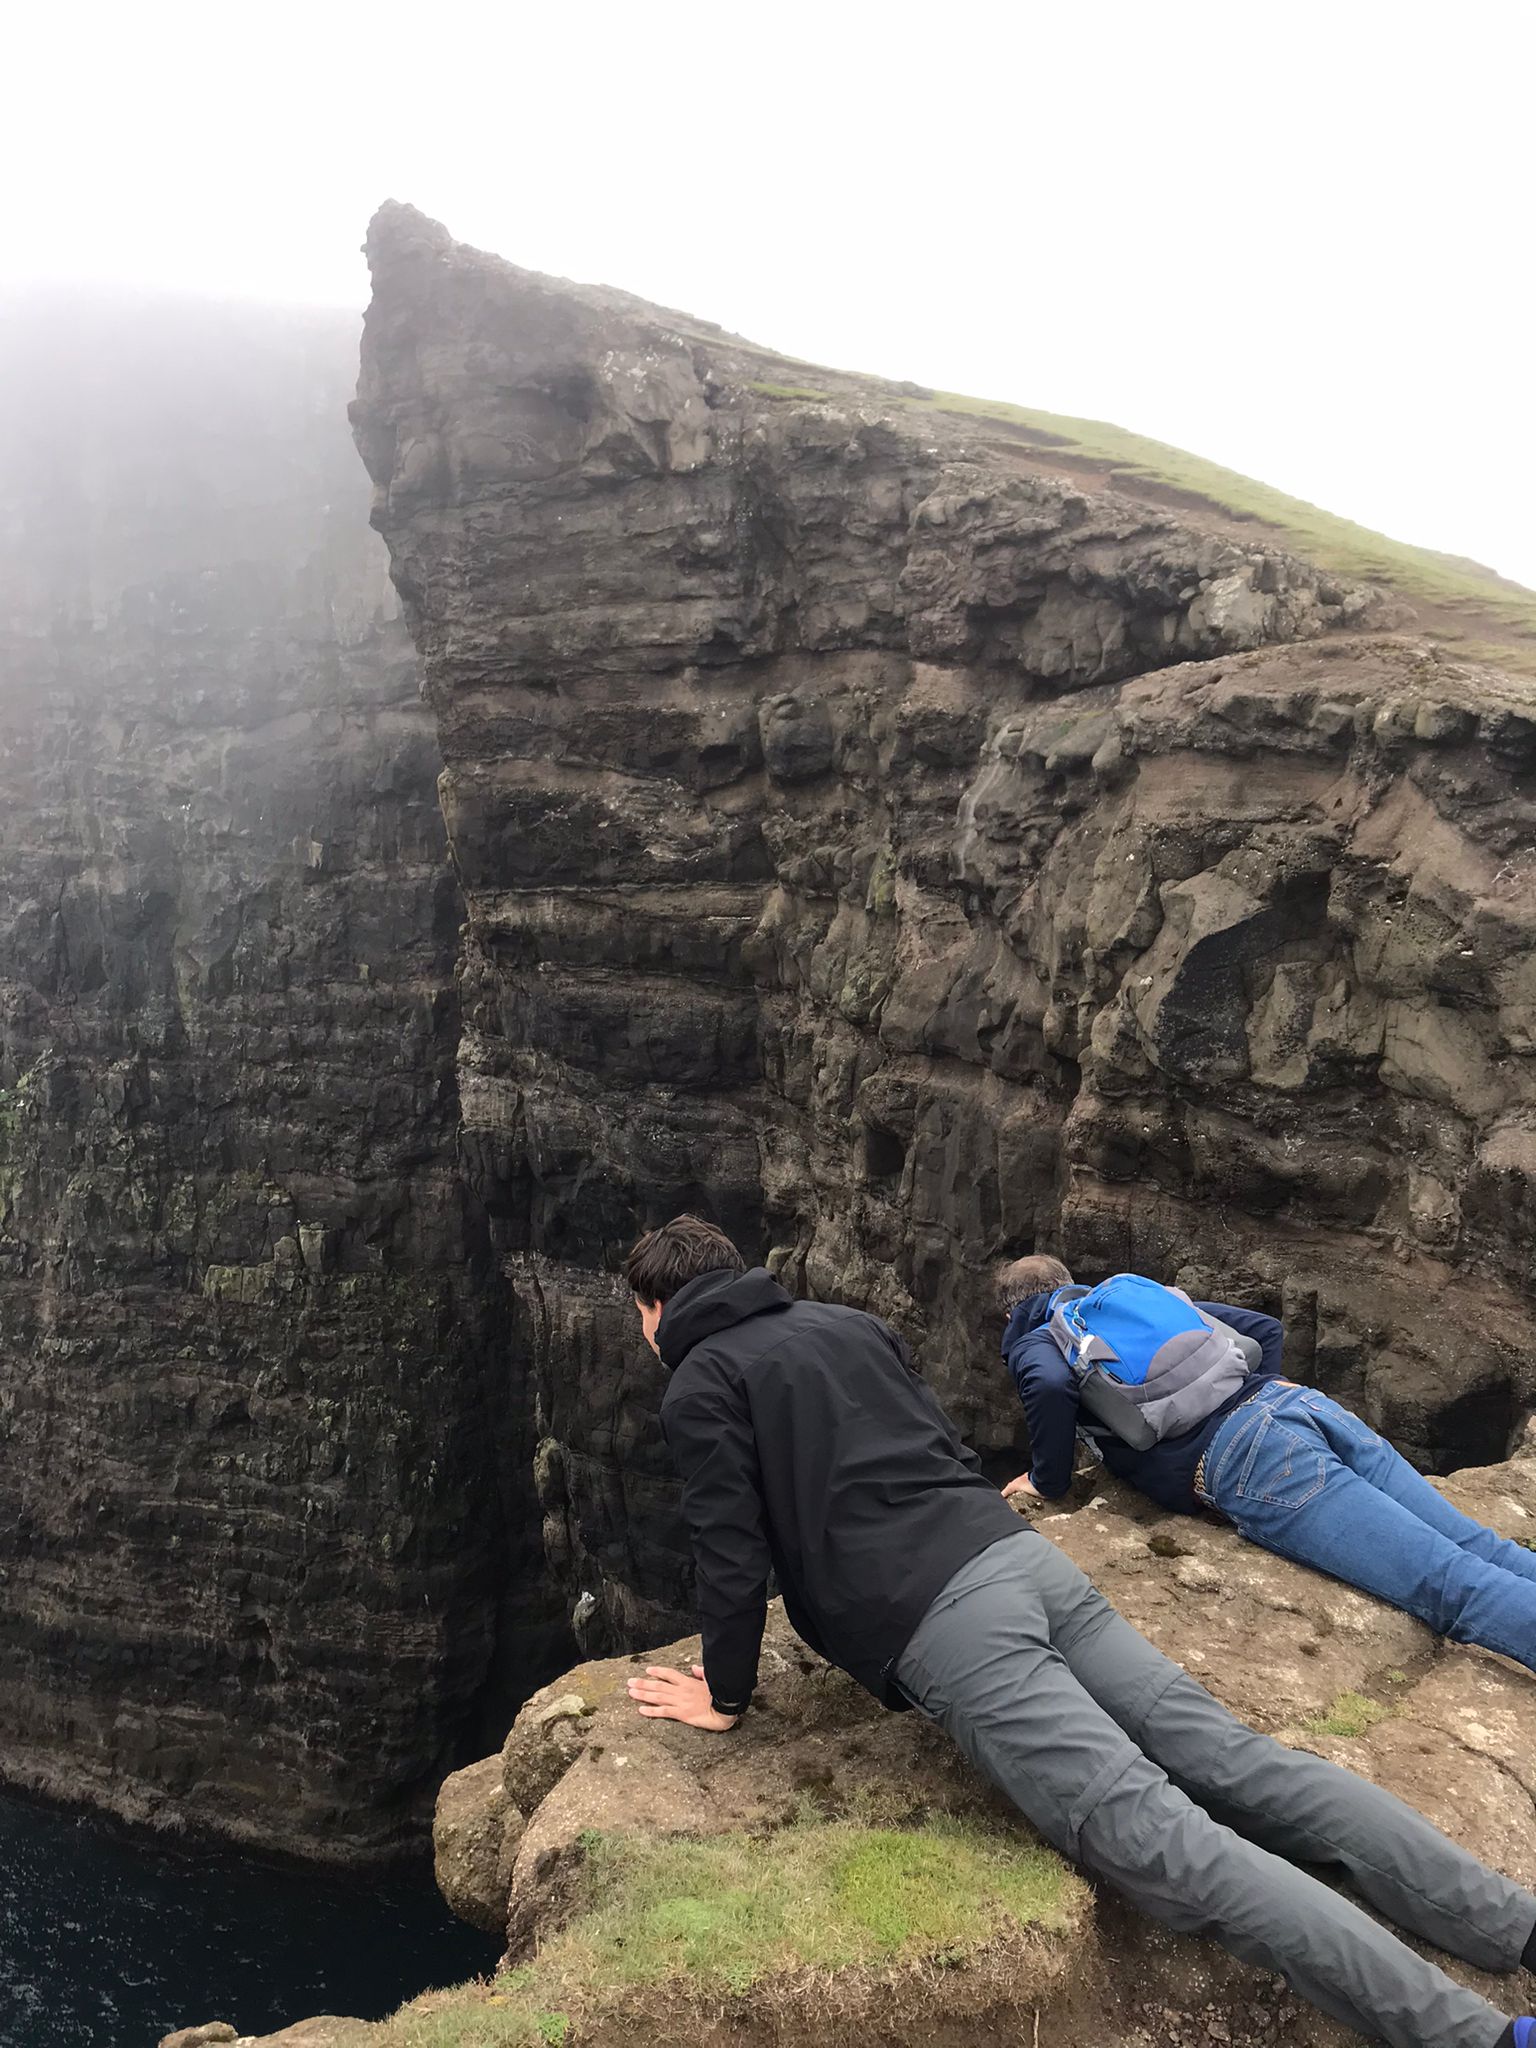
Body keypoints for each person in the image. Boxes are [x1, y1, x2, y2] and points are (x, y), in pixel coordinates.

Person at [621, 1215, 1536, 2048]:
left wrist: (726, 1693)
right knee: (1248, 1766)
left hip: (945, 1624)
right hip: (1024, 1561)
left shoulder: (701, 1382)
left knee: (1168, 1845)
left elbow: (728, 1549)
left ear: (658, 1306)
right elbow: (947, 1445)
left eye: (638, 1315)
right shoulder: (847, 1324)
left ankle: (1480, 2039)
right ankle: (1516, 1926)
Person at [997, 1255, 1536, 1675]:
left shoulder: (1041, 1340)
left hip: (1253, 1460)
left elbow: (1048, 1385)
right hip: (1305, 1406)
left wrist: (1047, 1480)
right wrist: (1264, 1388)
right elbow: (1263, 1328)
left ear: (1010, 1313)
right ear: (1069, 1281)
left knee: (1447, 1585)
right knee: (1477, 1545)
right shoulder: (1133, 1301)